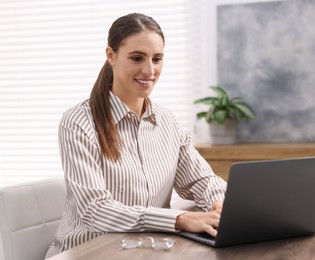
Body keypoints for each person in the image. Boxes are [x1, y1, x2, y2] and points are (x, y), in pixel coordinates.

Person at [45, 13, 227, 257]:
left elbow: (200, 180)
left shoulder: (166, 122)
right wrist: (179, 219)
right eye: (136, 58)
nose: (149, 70)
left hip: (145, 252)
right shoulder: (78, 123)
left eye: (157, 58)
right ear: (111, 55)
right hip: (86, 253)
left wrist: (218, 204)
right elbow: (95, 210)